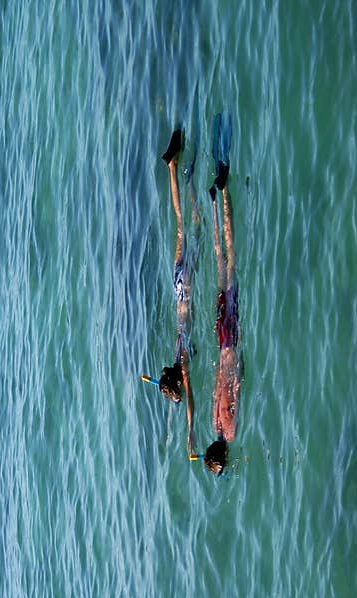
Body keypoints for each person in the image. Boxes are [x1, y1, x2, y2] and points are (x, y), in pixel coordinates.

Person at [141, 127, 200, 457]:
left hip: (187, 290)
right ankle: (173, 169)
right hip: (176, 286)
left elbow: (190, 403)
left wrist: (190, 434)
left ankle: (185, 180)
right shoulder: (175, 354)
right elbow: (178, 391)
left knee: (196, 226)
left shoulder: (186, 368)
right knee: (181, 225)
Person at [200, 113, 240, 475]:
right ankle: (214, 201)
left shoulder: (227, 428)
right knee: (219, 264)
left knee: (231, 259)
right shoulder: (214, 426)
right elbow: (219, 389)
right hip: (219, 338)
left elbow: (230, 389)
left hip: (230, 341)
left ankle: (224, 193)